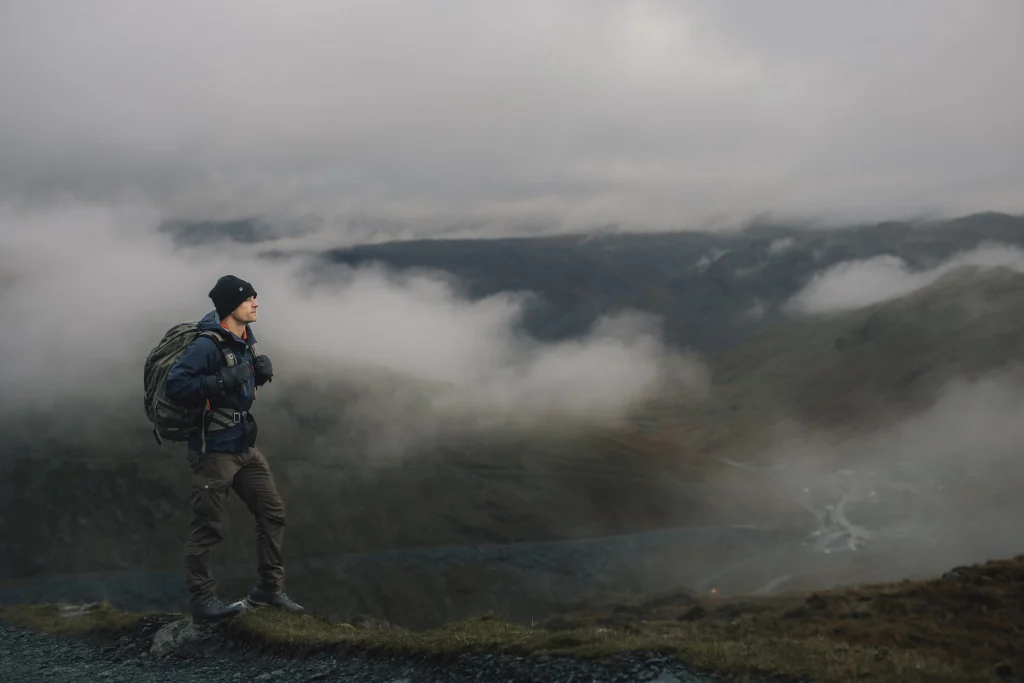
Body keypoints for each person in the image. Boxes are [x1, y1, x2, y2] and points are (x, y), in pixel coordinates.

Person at [165, 275, 304, 623]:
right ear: (231, 306)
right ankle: (202, 601)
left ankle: (268, 589)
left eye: (256, 297)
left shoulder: (244, 340)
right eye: (249, 299)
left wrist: (256, 375)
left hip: (244, 446)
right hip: (214, 451)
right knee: (208, 527)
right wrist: (229, 378)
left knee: (272, 513)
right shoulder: (207, 345)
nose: (256, 303)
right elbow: (177, 385)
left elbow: (236, 387)